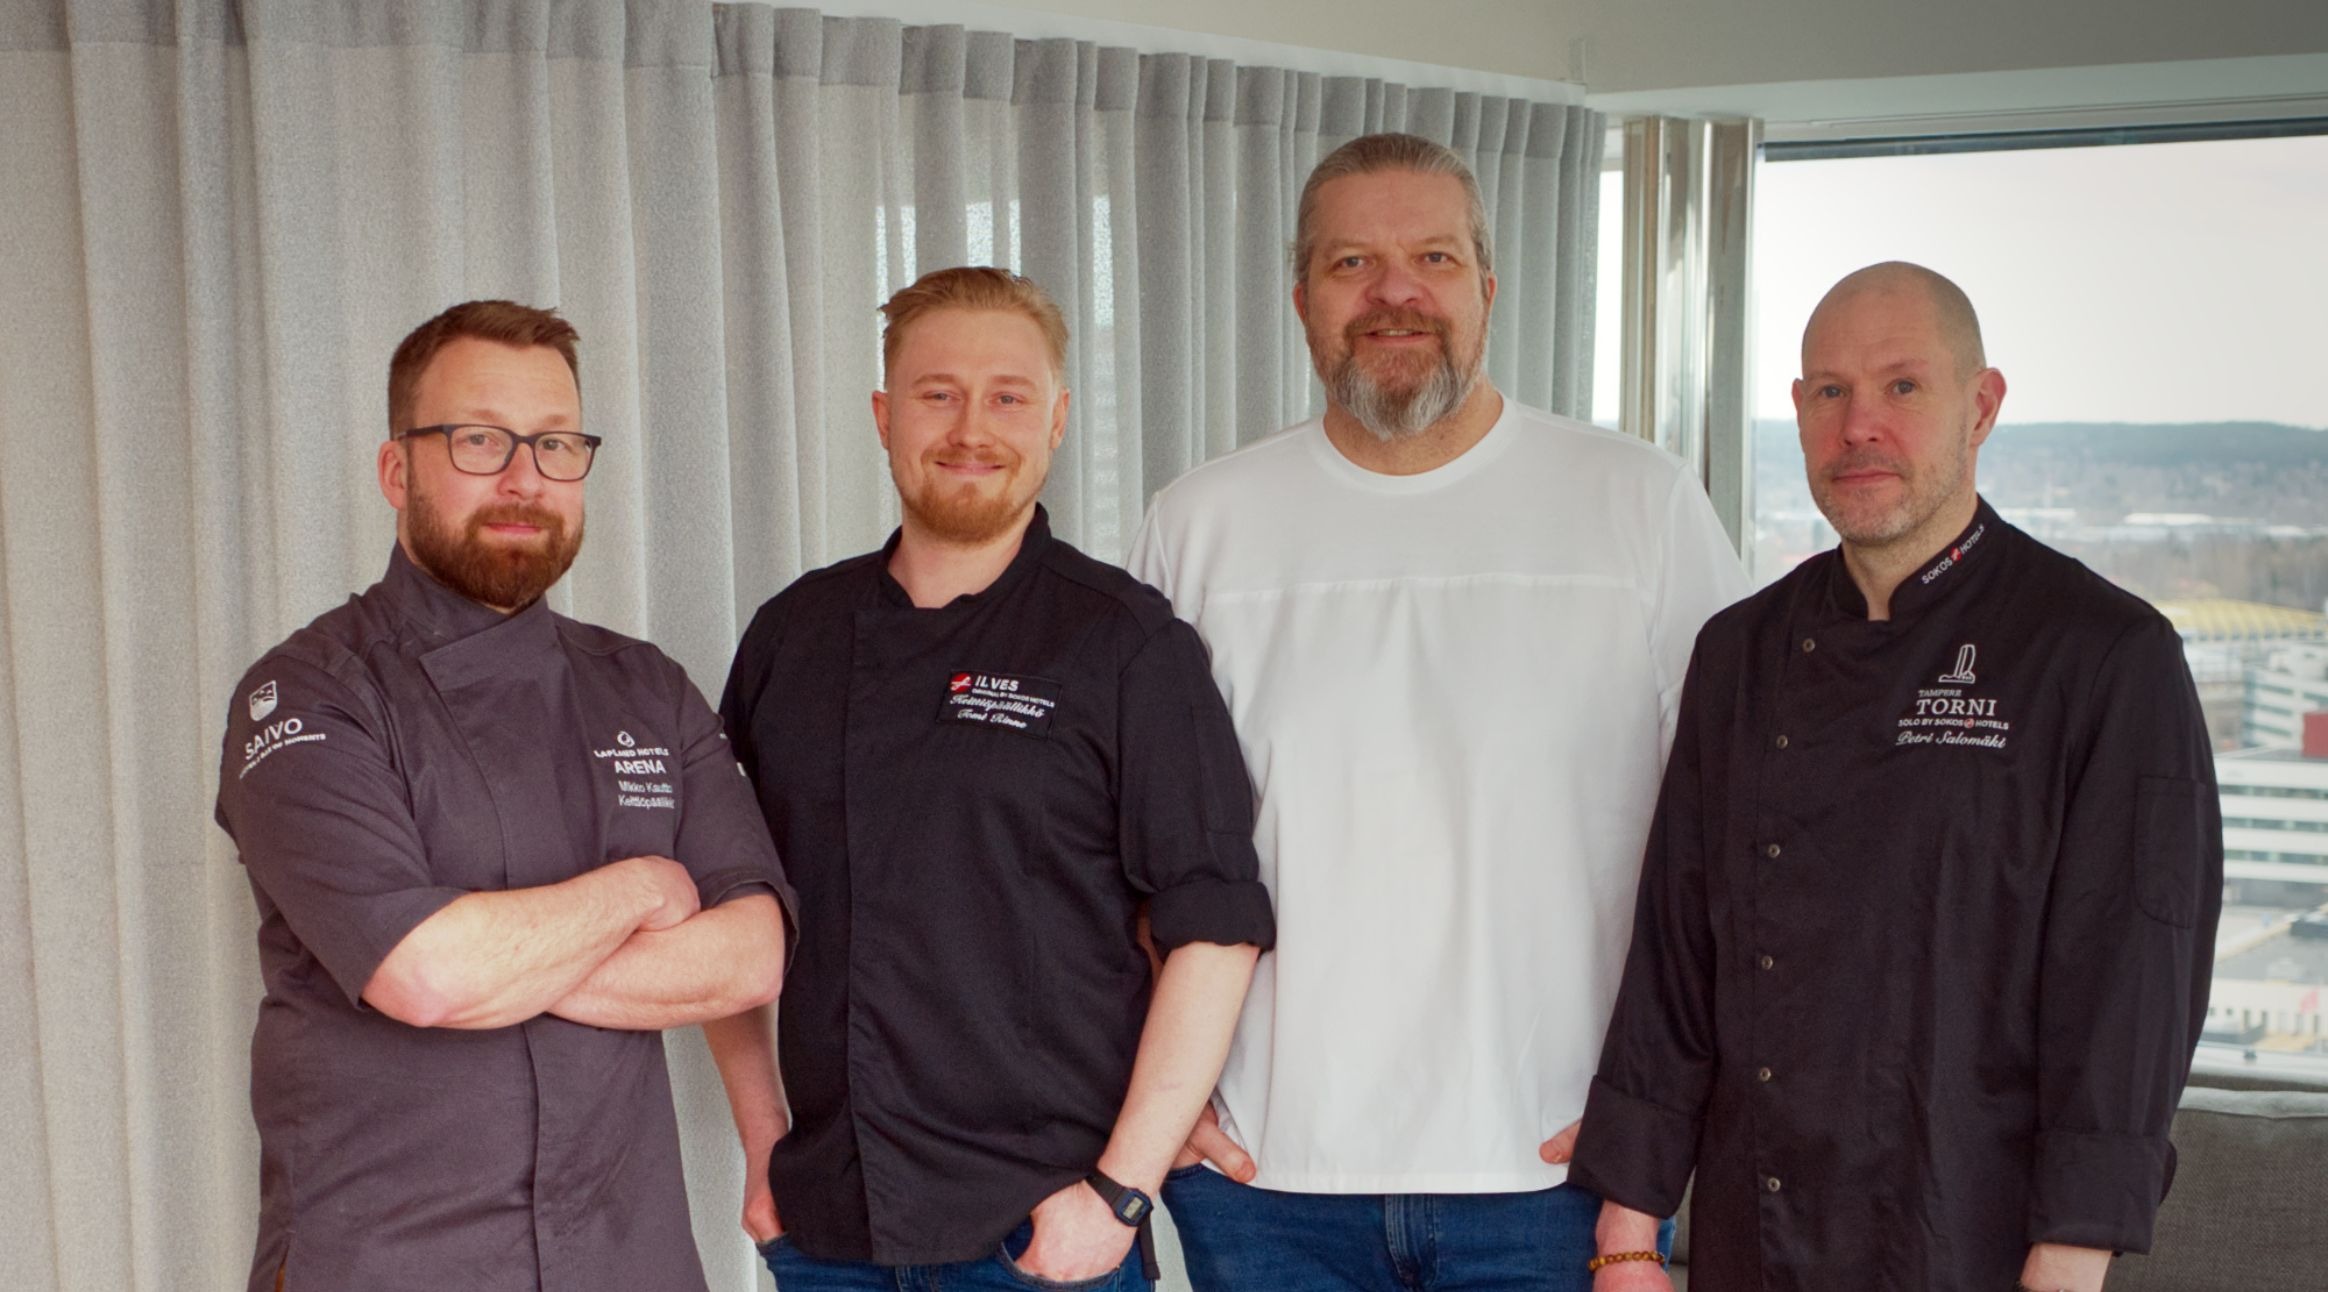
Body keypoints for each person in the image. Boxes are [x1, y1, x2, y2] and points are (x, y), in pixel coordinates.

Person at [1127, 132, 1747, 1290]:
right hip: (1265, 1184)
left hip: (1556, 1177)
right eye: (1354, 262)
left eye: (1434, 257)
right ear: (1302, 296)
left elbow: (1742, 838)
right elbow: (1112, 840)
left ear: (1488, 288)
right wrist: (1150, 1091)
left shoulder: (1639, 505)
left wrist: (1666, 1122)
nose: (1395, 292)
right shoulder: (1199, 523)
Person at [1569, 262, 2222, 1292]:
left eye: (1902, 387)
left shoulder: (2105, 654)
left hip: (1974, 1234)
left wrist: (2071, 1254)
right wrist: (1628, 1227)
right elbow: (1676, 955)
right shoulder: (1739, 651)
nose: (1859, 425)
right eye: (1829, 391)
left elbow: (2133, 982)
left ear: (1983, 404)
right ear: (1796, 411)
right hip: (1755, 1238)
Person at [706, 266, 1274, 1291]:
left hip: (1040, 1236)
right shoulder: (793, 634)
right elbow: (724, 904)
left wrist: (1120, 1193)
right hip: (831, 1227)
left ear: (1057, 420)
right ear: (884, 416)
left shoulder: (1126, 643)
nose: (973, 426)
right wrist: (761, 1144)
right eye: (938, 393)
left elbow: (1216, 927)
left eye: (1008, 395)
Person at [212, 300, 794, 1292]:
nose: (525, 477)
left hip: (629, 1258)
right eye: (480, 440)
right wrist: (642, 887)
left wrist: (493, 964)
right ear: (398, 470)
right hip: (388, 1258)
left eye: (557, 444)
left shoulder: (647, 685)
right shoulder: (309, 692)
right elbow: (427, 975)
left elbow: (750, 954)